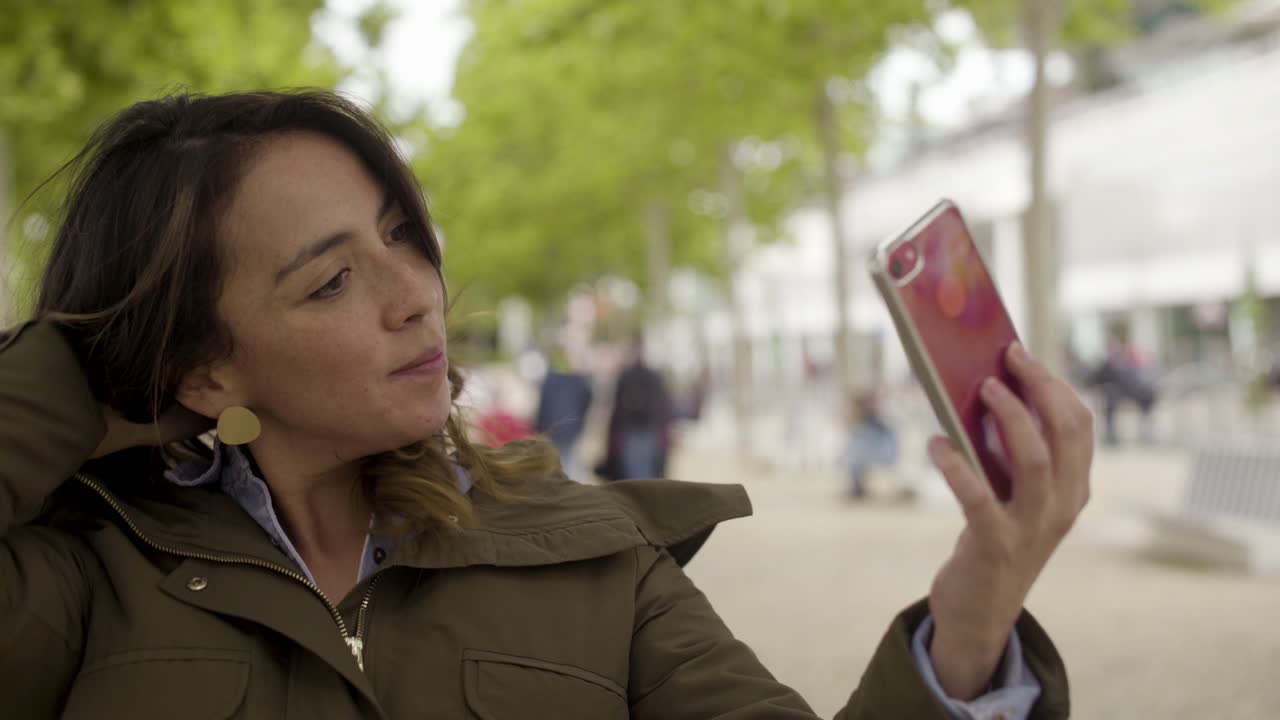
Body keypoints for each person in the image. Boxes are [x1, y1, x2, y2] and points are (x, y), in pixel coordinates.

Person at [0, 90, 1093, 719]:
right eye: (330, 280)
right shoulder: (82, 572)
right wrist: (76, 371)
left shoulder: (590, 552)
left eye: (398, 235)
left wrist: (971, 620)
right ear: (203, 372)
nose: (413, 297)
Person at [602, 337, 673, 480]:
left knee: (633, 472)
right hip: (645, 429)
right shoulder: (653, 377)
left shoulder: (627, 376)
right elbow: (662, 408)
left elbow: (618, 409)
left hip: (634, 430)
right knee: (644, 472)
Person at [533, 351, 594, 481]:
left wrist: (538, 427)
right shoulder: (577, 381)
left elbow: (542, 405)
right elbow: (588, 399)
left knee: (555, 462)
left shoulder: (549, 380)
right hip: (569, 427)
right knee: (567, 462)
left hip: (554, 427)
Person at [839, 390, 900, 500]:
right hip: (870, 455)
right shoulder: (863, 425)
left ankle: (859, 487)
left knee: (854, 457)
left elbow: (888, 449)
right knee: (853, 458)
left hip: (881, 455)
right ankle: (858, 487)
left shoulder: (879, 424)